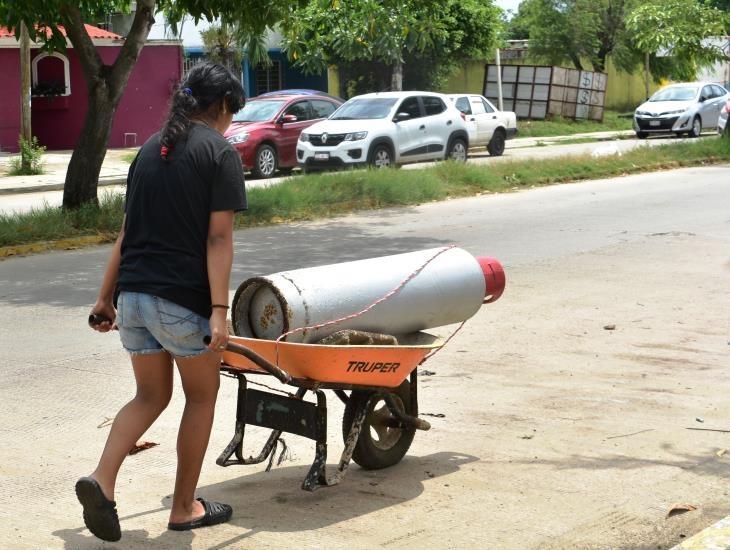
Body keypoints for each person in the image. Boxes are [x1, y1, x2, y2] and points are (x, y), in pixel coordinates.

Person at [77, 62, 247, 542]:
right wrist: (219, 310)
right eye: (231, 111)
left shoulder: (149, 152)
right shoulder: (219, 154)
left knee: (150, 396)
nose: (231, 120)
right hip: (181, 301)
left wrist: (104, 297)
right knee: (201, 397)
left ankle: (102, 480)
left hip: (133, 298)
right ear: (220, 106)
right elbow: (218, 240)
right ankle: (184, 507)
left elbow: (127, 234)